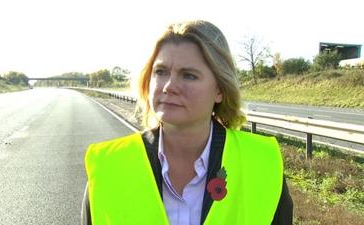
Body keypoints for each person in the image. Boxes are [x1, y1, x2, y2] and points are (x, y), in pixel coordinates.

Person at [81, 20, 293, 225]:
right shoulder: (110, 167)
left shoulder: (260, 163)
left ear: (219, 89)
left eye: (189, 76)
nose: (169, 86)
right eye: (160, 72)